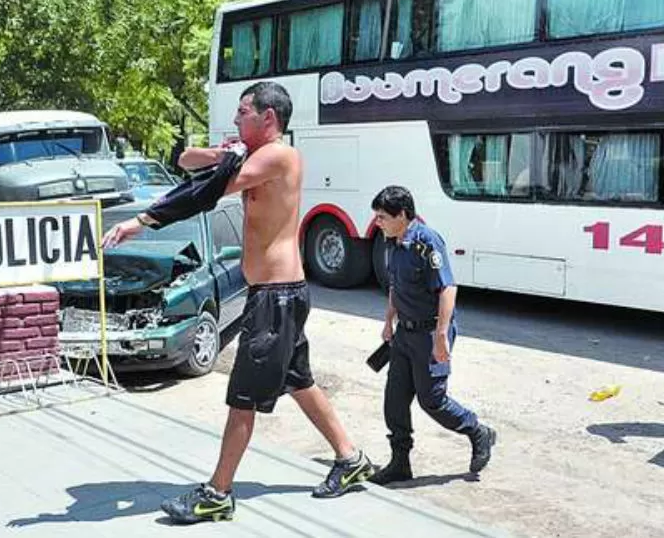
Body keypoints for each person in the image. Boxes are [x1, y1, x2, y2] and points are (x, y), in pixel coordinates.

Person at [101, 81, 374, 523]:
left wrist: (143, 220)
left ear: (268, 118)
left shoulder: (279, 156)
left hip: (277, 297)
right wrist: (220, 152)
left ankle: (218, 492)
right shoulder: (250, 155)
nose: (235, 118)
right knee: (299, 380)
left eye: (243, 111)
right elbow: (185, 160)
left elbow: (206, 191)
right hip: (274, 294)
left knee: (242, 396)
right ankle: (350, 458)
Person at [367, 185, 496, 485]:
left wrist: (441, 336)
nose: (377, 222)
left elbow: (447, 288)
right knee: (394, 400)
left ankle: (478, 431)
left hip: (429, 333)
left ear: (402, 215)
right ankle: (400, 462)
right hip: (404, 334)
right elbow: (395, 285)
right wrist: (389, 320)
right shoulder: (391, 242)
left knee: (432, 400)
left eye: (383, 217)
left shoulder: (426, 241)